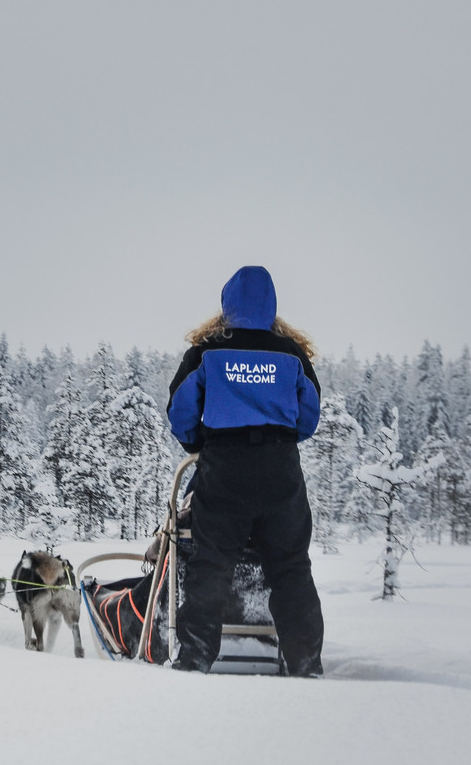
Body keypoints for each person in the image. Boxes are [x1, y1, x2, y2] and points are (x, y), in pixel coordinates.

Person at [166, 265, 324, 676]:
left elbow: (181, 411)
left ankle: (194, 660)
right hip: (280, 473)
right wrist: (279, 440)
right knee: (291, 568)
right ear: (271, 305)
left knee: (211, 565)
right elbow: (309, 416)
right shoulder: (291, 354)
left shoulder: (206, 352)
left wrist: (198, 443)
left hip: (224, 472)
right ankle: (306, 664)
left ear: (227, 305)